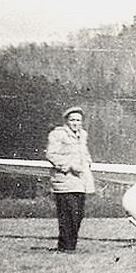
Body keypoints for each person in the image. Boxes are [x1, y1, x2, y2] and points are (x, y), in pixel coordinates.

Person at [45, 106, 95, 252]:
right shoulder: (57, 134)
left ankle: (70, 245)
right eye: (72, 120)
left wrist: (88, 161)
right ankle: (65, 246)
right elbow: (51, 154)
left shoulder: (83, 135)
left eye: (78, 120)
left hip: (81, 180)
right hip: (64, 180)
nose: (75, 123)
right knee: (68, 214)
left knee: (78, 214)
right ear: (66, 121)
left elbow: (84, 152)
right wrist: (69, 166)